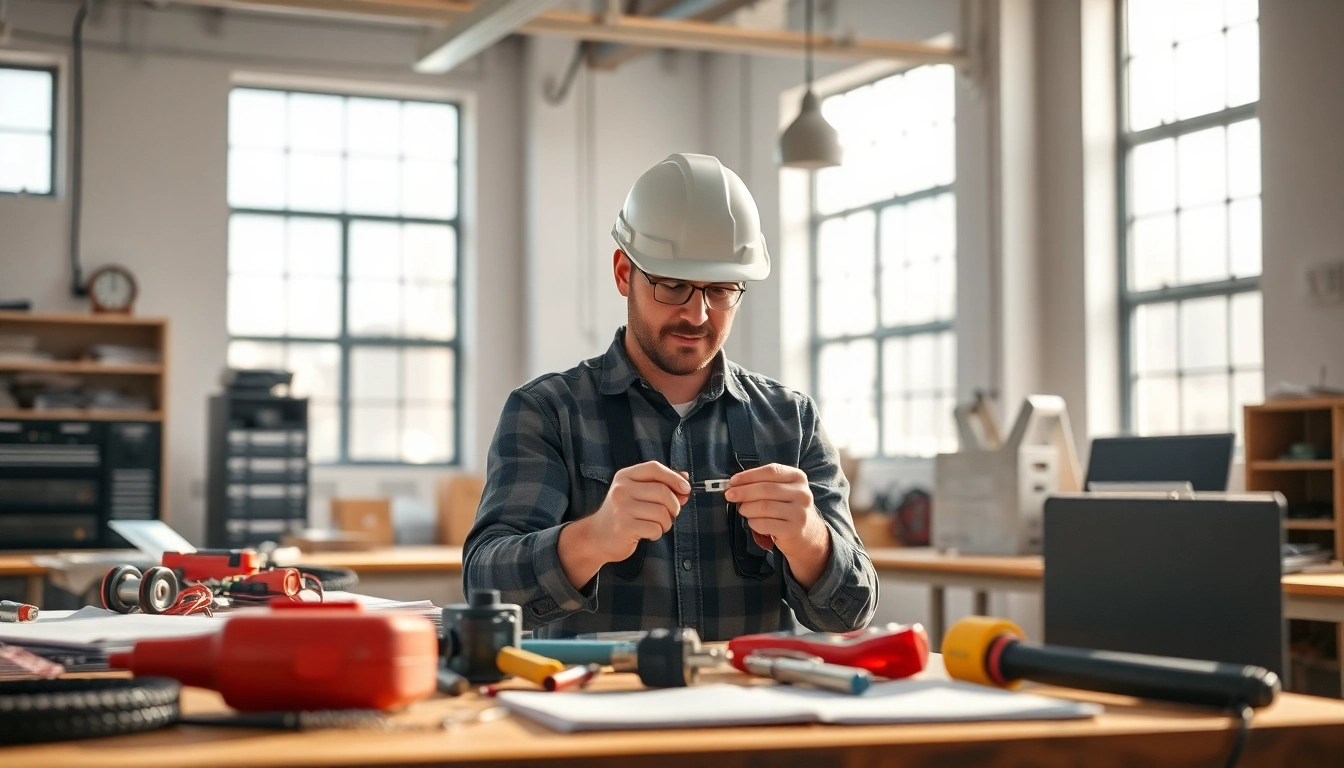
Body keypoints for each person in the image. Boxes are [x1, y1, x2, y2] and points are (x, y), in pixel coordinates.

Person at [463, 153, 877, 640]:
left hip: (750, 712)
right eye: (674, 286)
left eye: (720, 291)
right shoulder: (548, 412)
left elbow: (852, 612)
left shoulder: (792, 419)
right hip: (599, 712)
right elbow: (485, 585)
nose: (698, 315)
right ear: (623, 273)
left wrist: (809, 541)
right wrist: (593, 539)